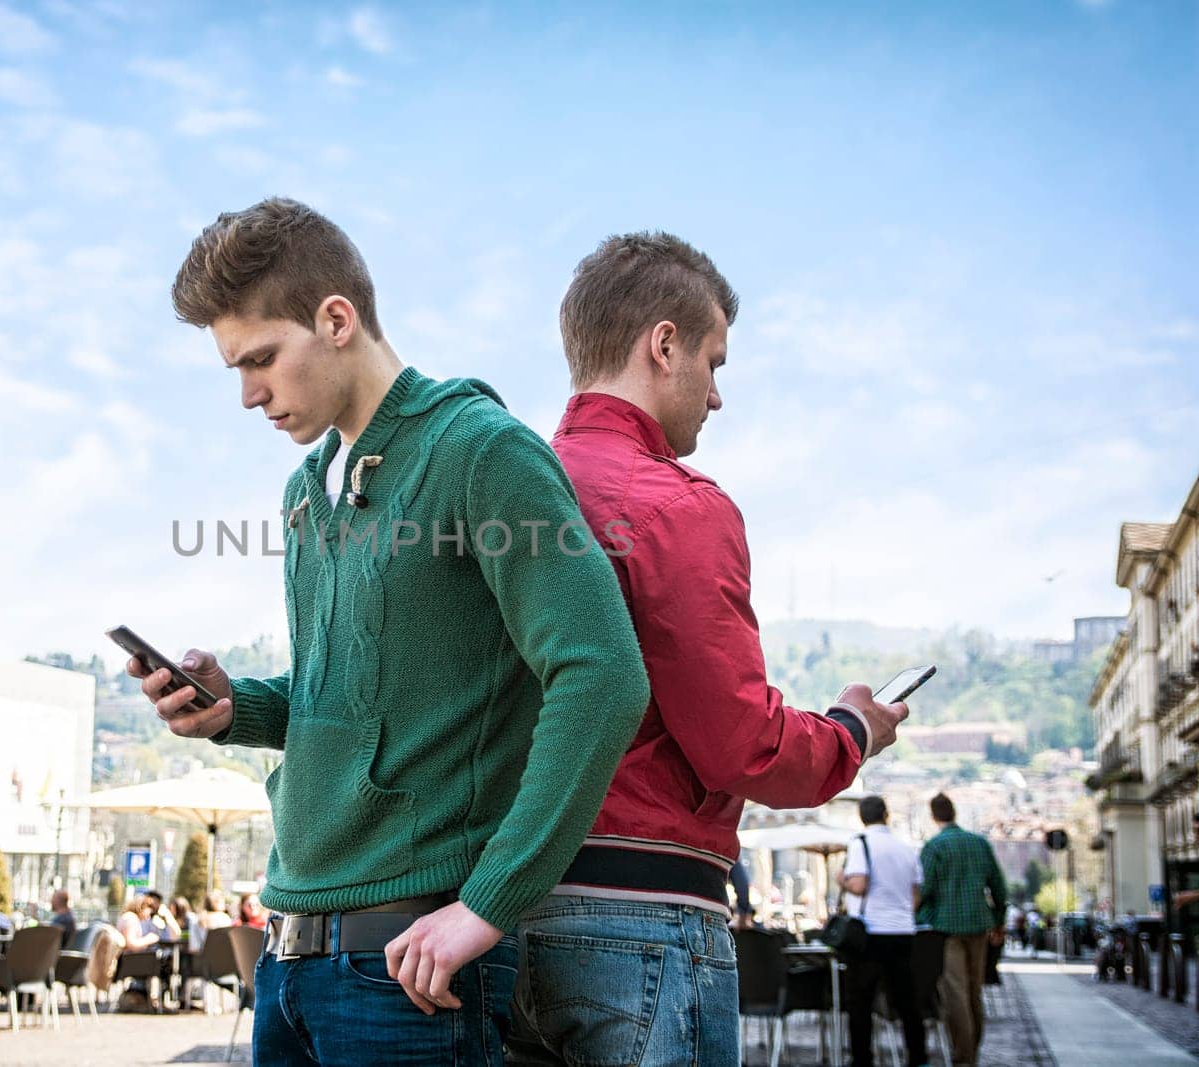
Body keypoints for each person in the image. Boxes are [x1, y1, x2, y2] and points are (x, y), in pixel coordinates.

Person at [135, 197, 651, 1065]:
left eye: (261, 358)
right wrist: (236, 710)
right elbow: (353, 695)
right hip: (288, 956)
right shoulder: (306, 492)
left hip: (409, 967)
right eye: (233, 367)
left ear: (337, 319)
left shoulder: (482, 450)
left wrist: (489, 903)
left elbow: (603, 675)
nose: (248, 394)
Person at [507, 232, 910, 1067]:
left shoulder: (497, 493)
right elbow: (740, 742)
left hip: (493, 911)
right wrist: (851, 731)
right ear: (664, 344)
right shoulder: (676, 505)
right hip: (642, 914)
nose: (717, 395)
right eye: (715, 363)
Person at [916, 793, 1006, 1067]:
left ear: (933, 816)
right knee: (974, 990)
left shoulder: (934, 847)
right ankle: (972, 1051)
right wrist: (999, 919)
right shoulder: (979, 843)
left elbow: (925, 889)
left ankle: (963, 1056)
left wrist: (919, 915)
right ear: (954, 812)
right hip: (979, 924)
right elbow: (999, 885)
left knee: (955, 993)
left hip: (947, 928)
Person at [838, 796, 925, 1067]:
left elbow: (859, 885)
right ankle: (918, 1057)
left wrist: (841, 879)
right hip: (902, 931)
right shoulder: (906, 848)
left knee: (861, 1002)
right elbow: (915, 895)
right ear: (886, 815)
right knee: (906, 1001)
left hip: (869, 932)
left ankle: (863, 1059)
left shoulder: (860, 843)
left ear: (861, 817)